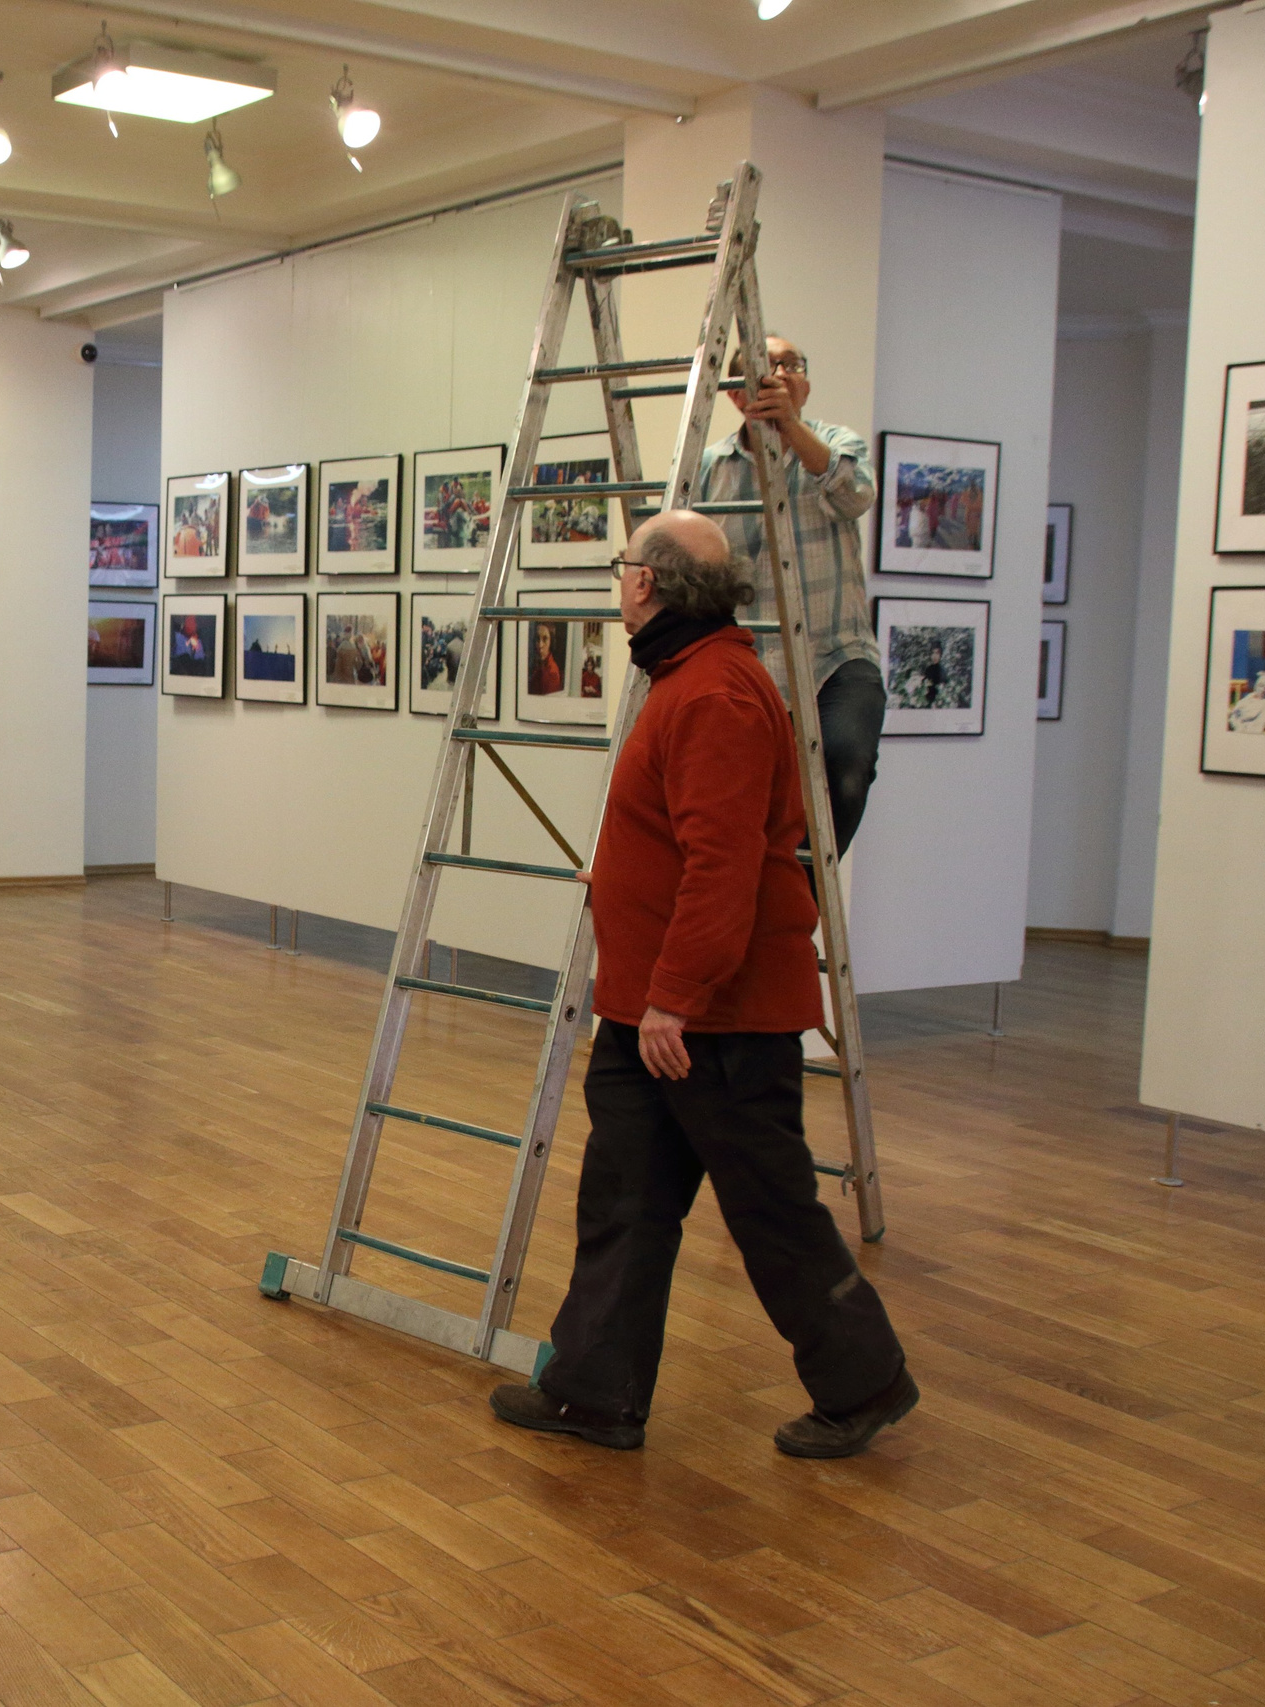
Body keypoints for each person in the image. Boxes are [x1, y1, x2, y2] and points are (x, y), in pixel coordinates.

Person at [489, 510, 916, 1460]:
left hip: (709, 1019)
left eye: (624, 565)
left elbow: (724, 868)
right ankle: (593, 1390)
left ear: (648, 584)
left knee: (769, 1207)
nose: (619, 580)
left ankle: (866, 1379)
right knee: (626, 1199)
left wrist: (675, 995)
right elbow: (685, 846)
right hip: (657, 1012)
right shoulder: (691, 678)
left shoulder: (716, 693)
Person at [698, 336, 886, 851]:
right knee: (740, 802)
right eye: (766, 368)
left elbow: (854, 494)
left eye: (792, 365)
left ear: (805, 383)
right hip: (751, 664)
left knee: (847, 765)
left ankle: (802, 898)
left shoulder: (836, 443)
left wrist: (790, 429)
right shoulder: (712, 466)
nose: (781, 375)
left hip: (836, 655)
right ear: (737, 395)